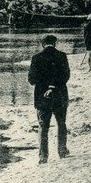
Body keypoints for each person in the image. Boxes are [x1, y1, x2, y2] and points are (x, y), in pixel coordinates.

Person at [27, 35, 71, 164]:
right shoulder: (62, 56)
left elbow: (31, 80)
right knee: (61, 123)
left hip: (42, 96)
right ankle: (62, 151)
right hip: (60, 95)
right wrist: (53, 86)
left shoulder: (36, 58)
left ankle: (43, 156)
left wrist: (45, 85)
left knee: (43, 126)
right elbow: (66, 76)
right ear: (55, 43)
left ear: (42, 44)